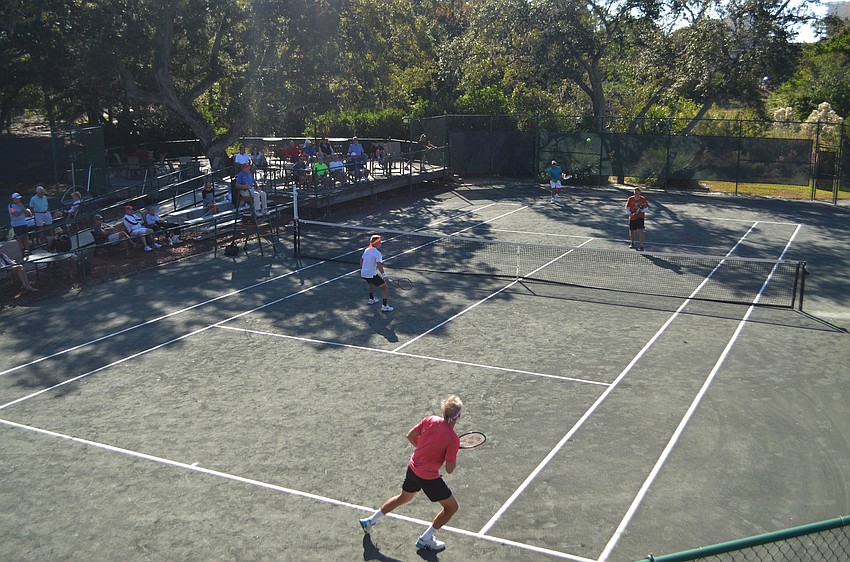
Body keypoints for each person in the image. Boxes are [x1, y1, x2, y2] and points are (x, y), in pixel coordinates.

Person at [359, 395, 464, 553]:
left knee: (404, 497)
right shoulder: (453, 439)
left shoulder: (430, 420)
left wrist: (424, 452)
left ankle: (370, 520)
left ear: (443, 412)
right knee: (451, 507)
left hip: (413, 468)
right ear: (458, 417)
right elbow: (449, 469)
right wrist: (452, 455)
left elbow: (410, 436)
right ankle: (426, 539)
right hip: (429, 478)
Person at [359, 234, 393, 312]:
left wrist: (363, 269)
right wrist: (384, 276)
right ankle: (384, 306)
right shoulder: (377, 253)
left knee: (371, 283)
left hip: (363, 273)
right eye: (379, 242)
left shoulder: (366, 250)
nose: (380, 243)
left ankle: (371, 299)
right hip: (370, 273)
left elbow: (361, 260)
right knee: (385, 287)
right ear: (376, 243)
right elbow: (379, 265)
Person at [8, 192, 31, 258]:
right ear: (14, 199)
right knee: (20, 238)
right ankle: (22, 251)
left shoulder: (21, 204)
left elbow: (26, 212)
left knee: (26, 236)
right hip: (16, 224)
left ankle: (27, 250)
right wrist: (22, 210)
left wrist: (23, 208)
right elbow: (14, 214)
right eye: (17, 199)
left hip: (23, 223)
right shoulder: (11, 206)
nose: (19, 200)